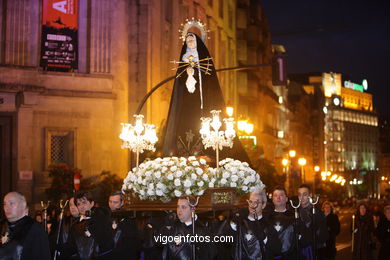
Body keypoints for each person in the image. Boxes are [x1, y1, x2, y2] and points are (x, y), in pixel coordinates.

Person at [162, 31, 249, 162]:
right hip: (186, 101)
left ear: (197, 42)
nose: (189, 43)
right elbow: (179, 82)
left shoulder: (203, 58)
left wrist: (196, 73)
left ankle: (205, 151)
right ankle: (184, 153)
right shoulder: (184, 58)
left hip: (200, 100)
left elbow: (209, 81)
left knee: (200, 123)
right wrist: (187, 74)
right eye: (188, 41)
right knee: (185, 121)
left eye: (192, 41)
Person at [218, 190, 281, 259]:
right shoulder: (240, 221)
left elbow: (277, 249)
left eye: (257, 202)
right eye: (250, 202)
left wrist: (265, 239)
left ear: (263, 205)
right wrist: (233, 222)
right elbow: (222, 239)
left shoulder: (269, 223)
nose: (252, 205)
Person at [59, 191, 114, 259]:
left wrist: (94, 216)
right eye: (78, 204)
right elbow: (71, 247)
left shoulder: (101, 218)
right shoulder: (75, 226)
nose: (81, 206)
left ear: (92, 203)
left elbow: (106, 242)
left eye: (84, 202)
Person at [0, 191, 51, 260]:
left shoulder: (34, 229)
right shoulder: (3, 226)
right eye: (4, 204)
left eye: (11, 203)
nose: (6, 207)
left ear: (23, 206)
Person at [265, 186, 298, 260]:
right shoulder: (267, 217)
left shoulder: (294, 216)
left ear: (286, 199)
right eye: (275, 195)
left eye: (281, 195)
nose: (278, 197)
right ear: (272, 199)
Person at [297, 184, 328, 260]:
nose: (302, 197)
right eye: (299, 195)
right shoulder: (295, 212)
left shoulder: (317, 213)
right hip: (299, 252)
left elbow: (323, 235)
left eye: (304, 194)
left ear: (310, 195)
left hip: (315, 252)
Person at [108, 191, 138, 259]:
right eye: (110, 201)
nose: (112, 205)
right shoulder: (106, 216)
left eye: (115, 202)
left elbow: (131, 245)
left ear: (122, 203)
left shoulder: (129, 220)